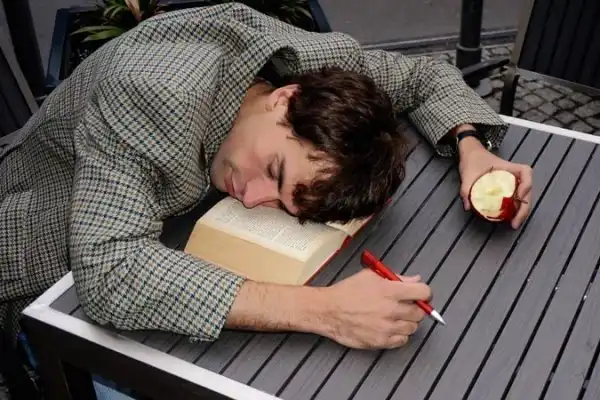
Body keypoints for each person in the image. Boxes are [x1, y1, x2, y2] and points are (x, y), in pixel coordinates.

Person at [0, 2, 533, 362]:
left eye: (283, 202)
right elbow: (109, 274)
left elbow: (422, 76)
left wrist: (471, 147)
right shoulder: (155, 93)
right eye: (276, 171)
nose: (254, 199)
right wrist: (325, 311)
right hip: (44, 272)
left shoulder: (312, 70)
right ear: (284, 99)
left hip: (164, 234)